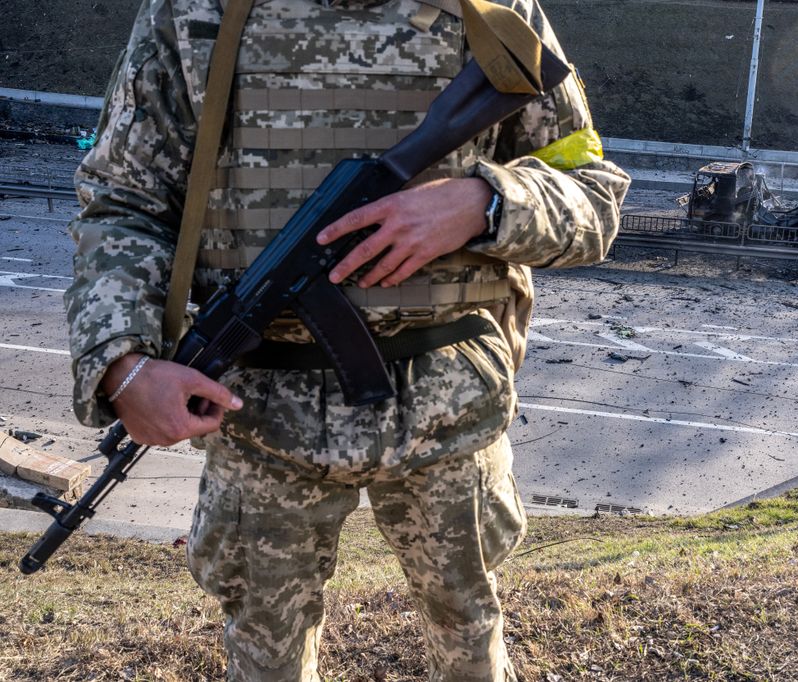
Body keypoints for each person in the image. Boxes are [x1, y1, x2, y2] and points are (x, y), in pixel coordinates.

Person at [64, 0, 629, 679]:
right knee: (264, 656)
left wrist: (483, 204)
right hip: (259, 416)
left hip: (449, 408)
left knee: (469, 640)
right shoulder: (195, 10)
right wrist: (121, 364)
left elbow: (594, 194)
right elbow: (123, 200)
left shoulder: (489, 10)